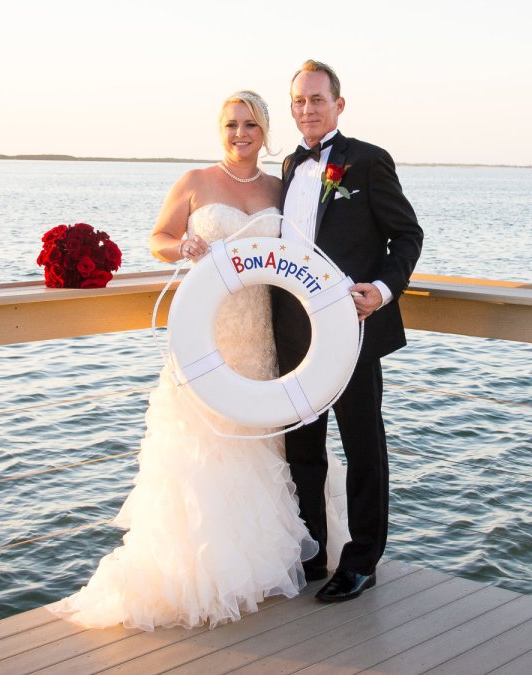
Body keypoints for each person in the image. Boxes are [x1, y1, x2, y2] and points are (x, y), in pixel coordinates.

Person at [50, 90, 347, 630]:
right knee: (202, 451)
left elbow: (303, 252)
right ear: (221, 129)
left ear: (264, 130)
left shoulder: (280, 187)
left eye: (251, 124)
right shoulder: (193, 181)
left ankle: (266, 561)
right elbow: (158, 238)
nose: (241, 134)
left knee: (265, 447)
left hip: (261, 340)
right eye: (232, 124)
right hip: (206, 338)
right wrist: (182, 246)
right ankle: (203, 569)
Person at [274, 60, 423, 602]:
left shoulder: (367, 161)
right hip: (293, 332)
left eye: (317, 99)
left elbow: (407, 236)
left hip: (354, 330)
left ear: (339, 104)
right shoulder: (290, 165)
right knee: (303, 448)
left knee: (363, 447)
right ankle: (312, 553)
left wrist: (382, 291)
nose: (307, 109)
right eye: (299, 101)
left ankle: (361, 561)